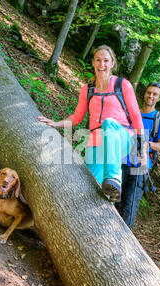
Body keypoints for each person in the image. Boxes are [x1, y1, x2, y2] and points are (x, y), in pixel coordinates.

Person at [37, 45, 145, 202]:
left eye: (106, 61)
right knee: (88, 186)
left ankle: (115, 178)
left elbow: (136, 116)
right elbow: (77, 117)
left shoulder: (123, 85)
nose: (102, 65)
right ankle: (110, 196)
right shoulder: (87, 89)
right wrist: (55, 123)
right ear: (93, 63)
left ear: (112, 63)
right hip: (97, 142)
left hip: (122, 137)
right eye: (98, 60)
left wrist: (142, 144)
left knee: (108, 123)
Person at [118, 82, 160, 229]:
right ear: (144, 93)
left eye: (155, 94)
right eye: (149, 92)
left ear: (159, 98)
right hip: (121, 162)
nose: (151, 96)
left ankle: (122, 237)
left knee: (130, 204)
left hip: (140, 167)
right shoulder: (132, 114)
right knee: (115, 198)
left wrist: (146, 144)